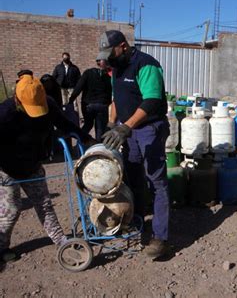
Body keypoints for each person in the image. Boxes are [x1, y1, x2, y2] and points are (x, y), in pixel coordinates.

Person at [0, 73, 95, 263]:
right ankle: (1, 248)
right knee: (11, 209)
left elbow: (65, 124)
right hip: (7, 169)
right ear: (18, 99)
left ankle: (61, 240)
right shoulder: (5, 113)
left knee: (44, 205)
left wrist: (85, 137)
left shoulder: (49, 104)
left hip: (33, 165)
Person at [98, 30, 170, 258]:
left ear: (123, 46)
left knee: (156, 181)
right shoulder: (116, 67)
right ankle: (137, 220)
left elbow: (151, 100)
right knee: (132, 176)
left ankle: (160, 237)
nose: (107, 57)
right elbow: (116, 98)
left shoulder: (146, 64)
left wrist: (125, 126)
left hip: (149, 128)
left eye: (111, 52)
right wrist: (112, 123)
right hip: (129, 130)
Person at [68, 59, 112, 139]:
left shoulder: (87, 73)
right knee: (100, 128)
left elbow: (78, 87)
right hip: (102, 105)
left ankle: (80, 140)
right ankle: (99, 146)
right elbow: (110, 92)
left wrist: (71, 99)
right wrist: (107, 103)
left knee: (88, 124)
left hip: (88, 105)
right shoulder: (107, 77)